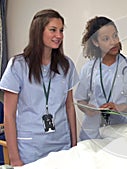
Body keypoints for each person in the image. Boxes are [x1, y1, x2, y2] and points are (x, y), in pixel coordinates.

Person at [0, 9, 79, 166]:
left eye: (61, 30)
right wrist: (15, 158)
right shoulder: (18, 66)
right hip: (31, 147)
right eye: (53, 30)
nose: (59, 36)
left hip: (61, 143)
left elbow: (69, 106)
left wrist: (74, 145)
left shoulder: (66, 65)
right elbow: (9, 115)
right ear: (38, 31)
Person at [75, 16, 127, 141]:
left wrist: (121, 107)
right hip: (92, 132)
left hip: (120, 132)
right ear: (95, 42)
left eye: (115, 36)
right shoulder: (88, 69)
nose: (113, 42)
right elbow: (80, 101)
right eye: (106, 39)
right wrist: (89, 109)